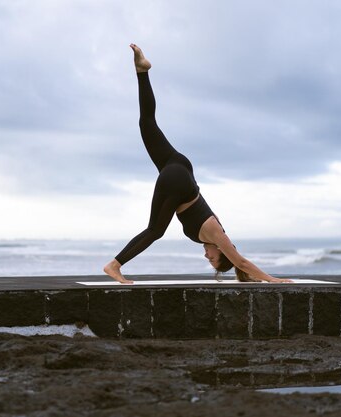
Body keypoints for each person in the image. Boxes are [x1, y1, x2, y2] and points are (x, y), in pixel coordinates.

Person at [103, 44, 292, 285]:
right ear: (222, 252)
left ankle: (142, 71)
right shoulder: (217, 234)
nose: (207, 257)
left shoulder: (212, 232)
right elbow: (241, 262)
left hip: (178, 169)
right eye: (213, 260)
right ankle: (114, 265)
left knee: (147, 123)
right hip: (178, 181)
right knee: (155, 230)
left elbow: (240, 268)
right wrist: (272, 279)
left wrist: (247, 278)